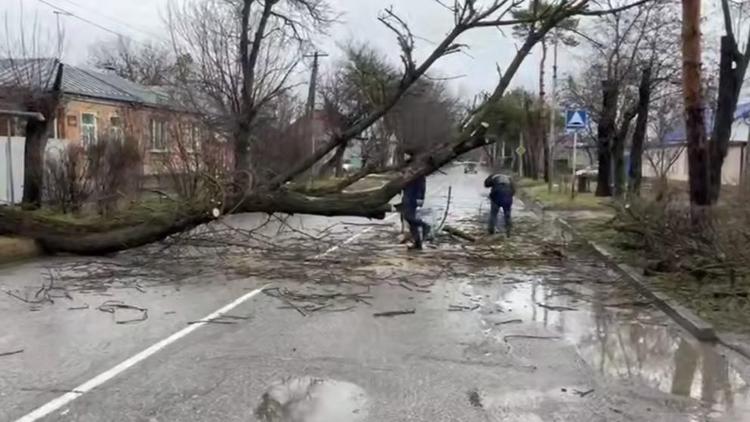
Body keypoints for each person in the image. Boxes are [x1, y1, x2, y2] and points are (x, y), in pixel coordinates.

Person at [401, 153, 431, 250]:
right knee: (408, 220)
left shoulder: (417, 170)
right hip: (407, 196)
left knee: (408, 217)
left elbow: (421, 186)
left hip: (413, 197)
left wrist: (420, 199)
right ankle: (417, 242)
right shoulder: (406, 167)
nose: (404, 157)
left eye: (406, 155)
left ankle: (424, 225)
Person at [485, 172, 515, 236]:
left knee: (493, 214)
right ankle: (508, 231)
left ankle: (491, 230)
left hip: (497, 196)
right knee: (507, 214)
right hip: (507, 197)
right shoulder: (509, 178)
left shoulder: (494, 177)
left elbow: (486, 184)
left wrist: (491, 195)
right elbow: (513, 191)